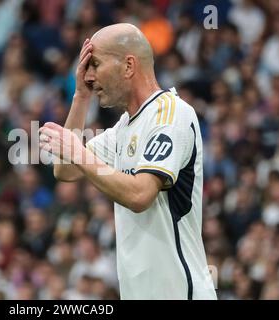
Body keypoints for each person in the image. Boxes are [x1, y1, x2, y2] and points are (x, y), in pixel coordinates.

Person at [39, 23, 217, 300]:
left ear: (128, 66)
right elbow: (65, 169)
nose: (89, 75)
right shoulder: (123, 128)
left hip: (181, 293)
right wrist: (81, 97)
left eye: (95, 64)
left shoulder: (171, 114)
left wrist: (78, 151)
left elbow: (140, 194)